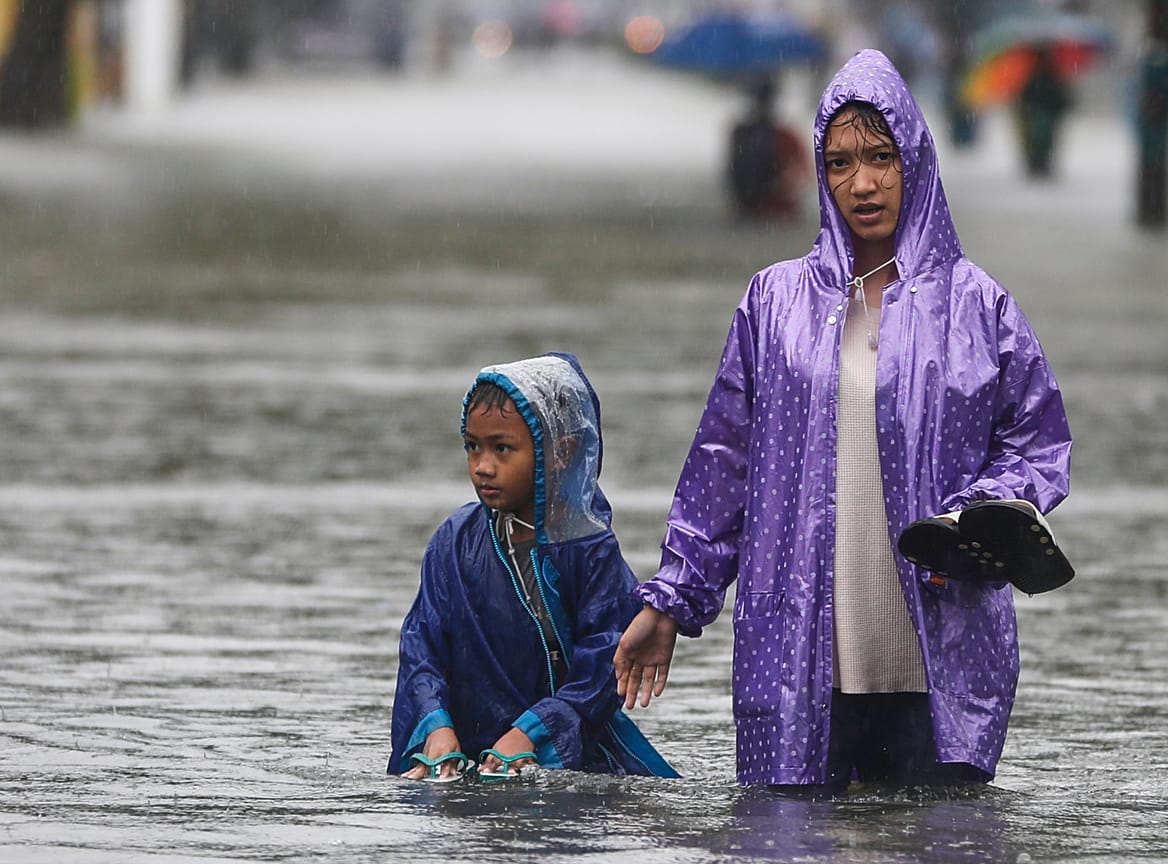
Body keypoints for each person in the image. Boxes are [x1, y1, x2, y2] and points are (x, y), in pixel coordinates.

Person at [615, 50, 1071, 792]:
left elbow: (1038, 442)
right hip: (796, 659)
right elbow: (723, 465)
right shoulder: (773, 303)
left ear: (914, 160)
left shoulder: (978, 306)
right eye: (840, 162)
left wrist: (977, 514)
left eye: (881, 157)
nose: (862, 183)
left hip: (940, 662)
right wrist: (671, 600)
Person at [388, 353, 678, 781]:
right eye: (472, 446)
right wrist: (436, 725)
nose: (482, 466)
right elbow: (422, 647)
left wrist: (532, 733)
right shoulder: (453, 540)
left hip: (563, 753)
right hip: (460, 755)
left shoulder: (590, 550)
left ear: (559, 452)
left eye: (502, 448)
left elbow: (604, 664)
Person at [727, 74, 811, 222]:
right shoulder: (785, 135)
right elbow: (802, 174)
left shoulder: (739, 133)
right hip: (775, 213)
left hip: (748, 211)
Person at [1014, 49, 1073, 179]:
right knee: (1046, 143)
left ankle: (1036, 164)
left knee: (1036, 142)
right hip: (1047, 114)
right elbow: (1060, 96)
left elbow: (1025, 97)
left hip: (1037, 114)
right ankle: (1041, 164)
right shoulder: (1053, 73)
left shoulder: (1028, 73)